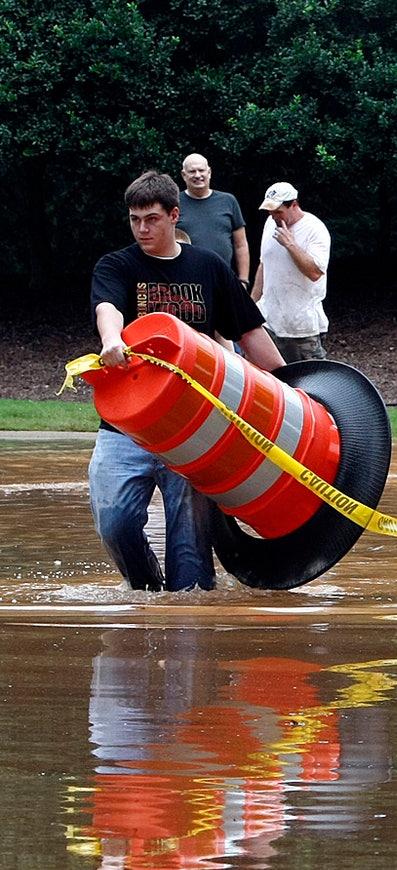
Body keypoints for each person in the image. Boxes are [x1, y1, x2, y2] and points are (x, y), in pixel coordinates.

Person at [89, 170, 286, 591]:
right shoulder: (116, 266)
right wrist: (111, 339)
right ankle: (145, 590)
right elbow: (108, 308)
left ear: (174, 216)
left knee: (191, 553)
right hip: (127, 427)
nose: (142, 228)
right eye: (135, 219)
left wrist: (294, 390)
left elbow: (249, 333)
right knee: (115, 524)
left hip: (195, 429)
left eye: (152, 219)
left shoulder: (208, 267)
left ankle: (189, 631)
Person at [252, 181, 331, 362]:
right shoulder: (270, 223)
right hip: (268, 321)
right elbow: (264, 265)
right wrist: (251, 306)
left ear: (294, 205)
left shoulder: (315, 229)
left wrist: (290, 245)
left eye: (278, 211)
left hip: (302, 326)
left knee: (310, 382)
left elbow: (315, 273)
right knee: (268, 381)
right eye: (270, 211)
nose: (273, 216)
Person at [175, 154, 251, 286]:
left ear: (209, 172)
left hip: (224, 280)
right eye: (192, 171)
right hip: (185, 283)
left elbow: (241, 245)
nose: (198, 175)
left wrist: (243, 281)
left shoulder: (228, 201)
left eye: (201, 170)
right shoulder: (174, 203)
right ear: (183, 175)